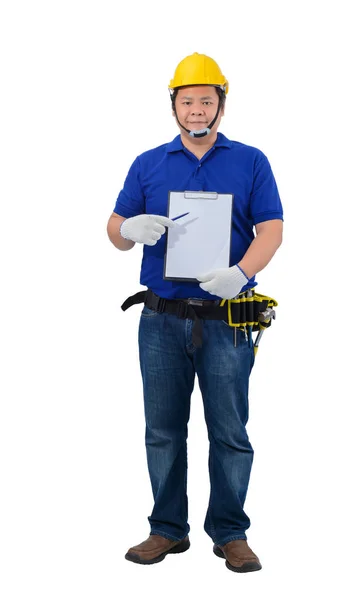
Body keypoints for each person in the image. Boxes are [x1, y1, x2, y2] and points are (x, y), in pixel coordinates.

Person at [107, 52, 283, 573]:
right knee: (162, 429)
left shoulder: (250, 161)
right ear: (175, 107)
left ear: (221, 106)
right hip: (160, 319)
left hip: (227, 320)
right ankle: (166, 531)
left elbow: (271, 229)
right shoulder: (148, 163)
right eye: (188, 101)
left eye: (207, 100)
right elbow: (114, 228)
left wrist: (241, 275)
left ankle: (230, 533)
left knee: (230, 430)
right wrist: (126, 230)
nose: (197, 109)